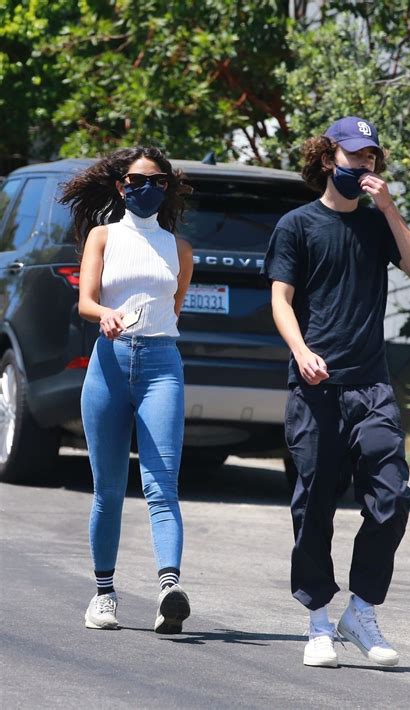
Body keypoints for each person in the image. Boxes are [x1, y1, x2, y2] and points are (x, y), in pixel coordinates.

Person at [263, 116, 410, 667]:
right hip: (315, 387)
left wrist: (389, 208)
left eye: (369, 159)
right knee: (314, 504)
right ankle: (316, 620)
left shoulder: (378, 224)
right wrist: (301, 350)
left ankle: (360, 611)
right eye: (353, 156)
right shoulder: (297, 225)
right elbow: (281, 300)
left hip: (372, 384)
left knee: (392, 499)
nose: (361, 167)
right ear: (328, 156)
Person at [61, 146, 193, 633]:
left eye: (158, 182)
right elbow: (86, 301)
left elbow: (173, 309)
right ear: (121, 186)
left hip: (161, 364)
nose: (148, 190)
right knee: (109, 490)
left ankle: (168, 591)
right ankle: (104, 594)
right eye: (138, 181)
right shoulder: (103, 236)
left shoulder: (178, 249)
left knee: (163, 485)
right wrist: (108, 315)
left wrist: (142, 324)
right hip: (109, 364)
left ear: (166, 187)